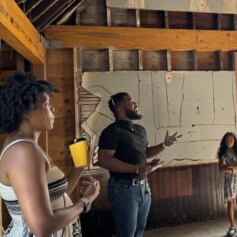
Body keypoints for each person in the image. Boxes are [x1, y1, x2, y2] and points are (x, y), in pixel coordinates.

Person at [0, 73, 100, 237]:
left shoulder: (28, 146)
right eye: (46, 104)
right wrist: (85, 201)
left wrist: (80, 167)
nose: (53, 109)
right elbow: (41, 227)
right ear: (26, 111)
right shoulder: (23, 152)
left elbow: (54, 198)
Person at [98, 92, 181, 237]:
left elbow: (145, 153)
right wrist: (136, 168)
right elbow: (105, 160)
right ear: (120, 110)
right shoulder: (111, 132)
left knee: (139, 232)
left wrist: (164, 145)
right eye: (131, 102)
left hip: (144, 187)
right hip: (123, 189)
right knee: (127, 233)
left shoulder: (140, 130)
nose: (136, 104)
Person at [217, 132, 237, 237]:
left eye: (231, 139)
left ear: (235, 140)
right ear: (224, 141)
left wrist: (230, 167)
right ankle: (232, 227)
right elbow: (221, 169)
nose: (229, 141)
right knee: (230, 202)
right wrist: (235, 167)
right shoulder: (222, 152)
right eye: (227, 140)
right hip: (228, 180)